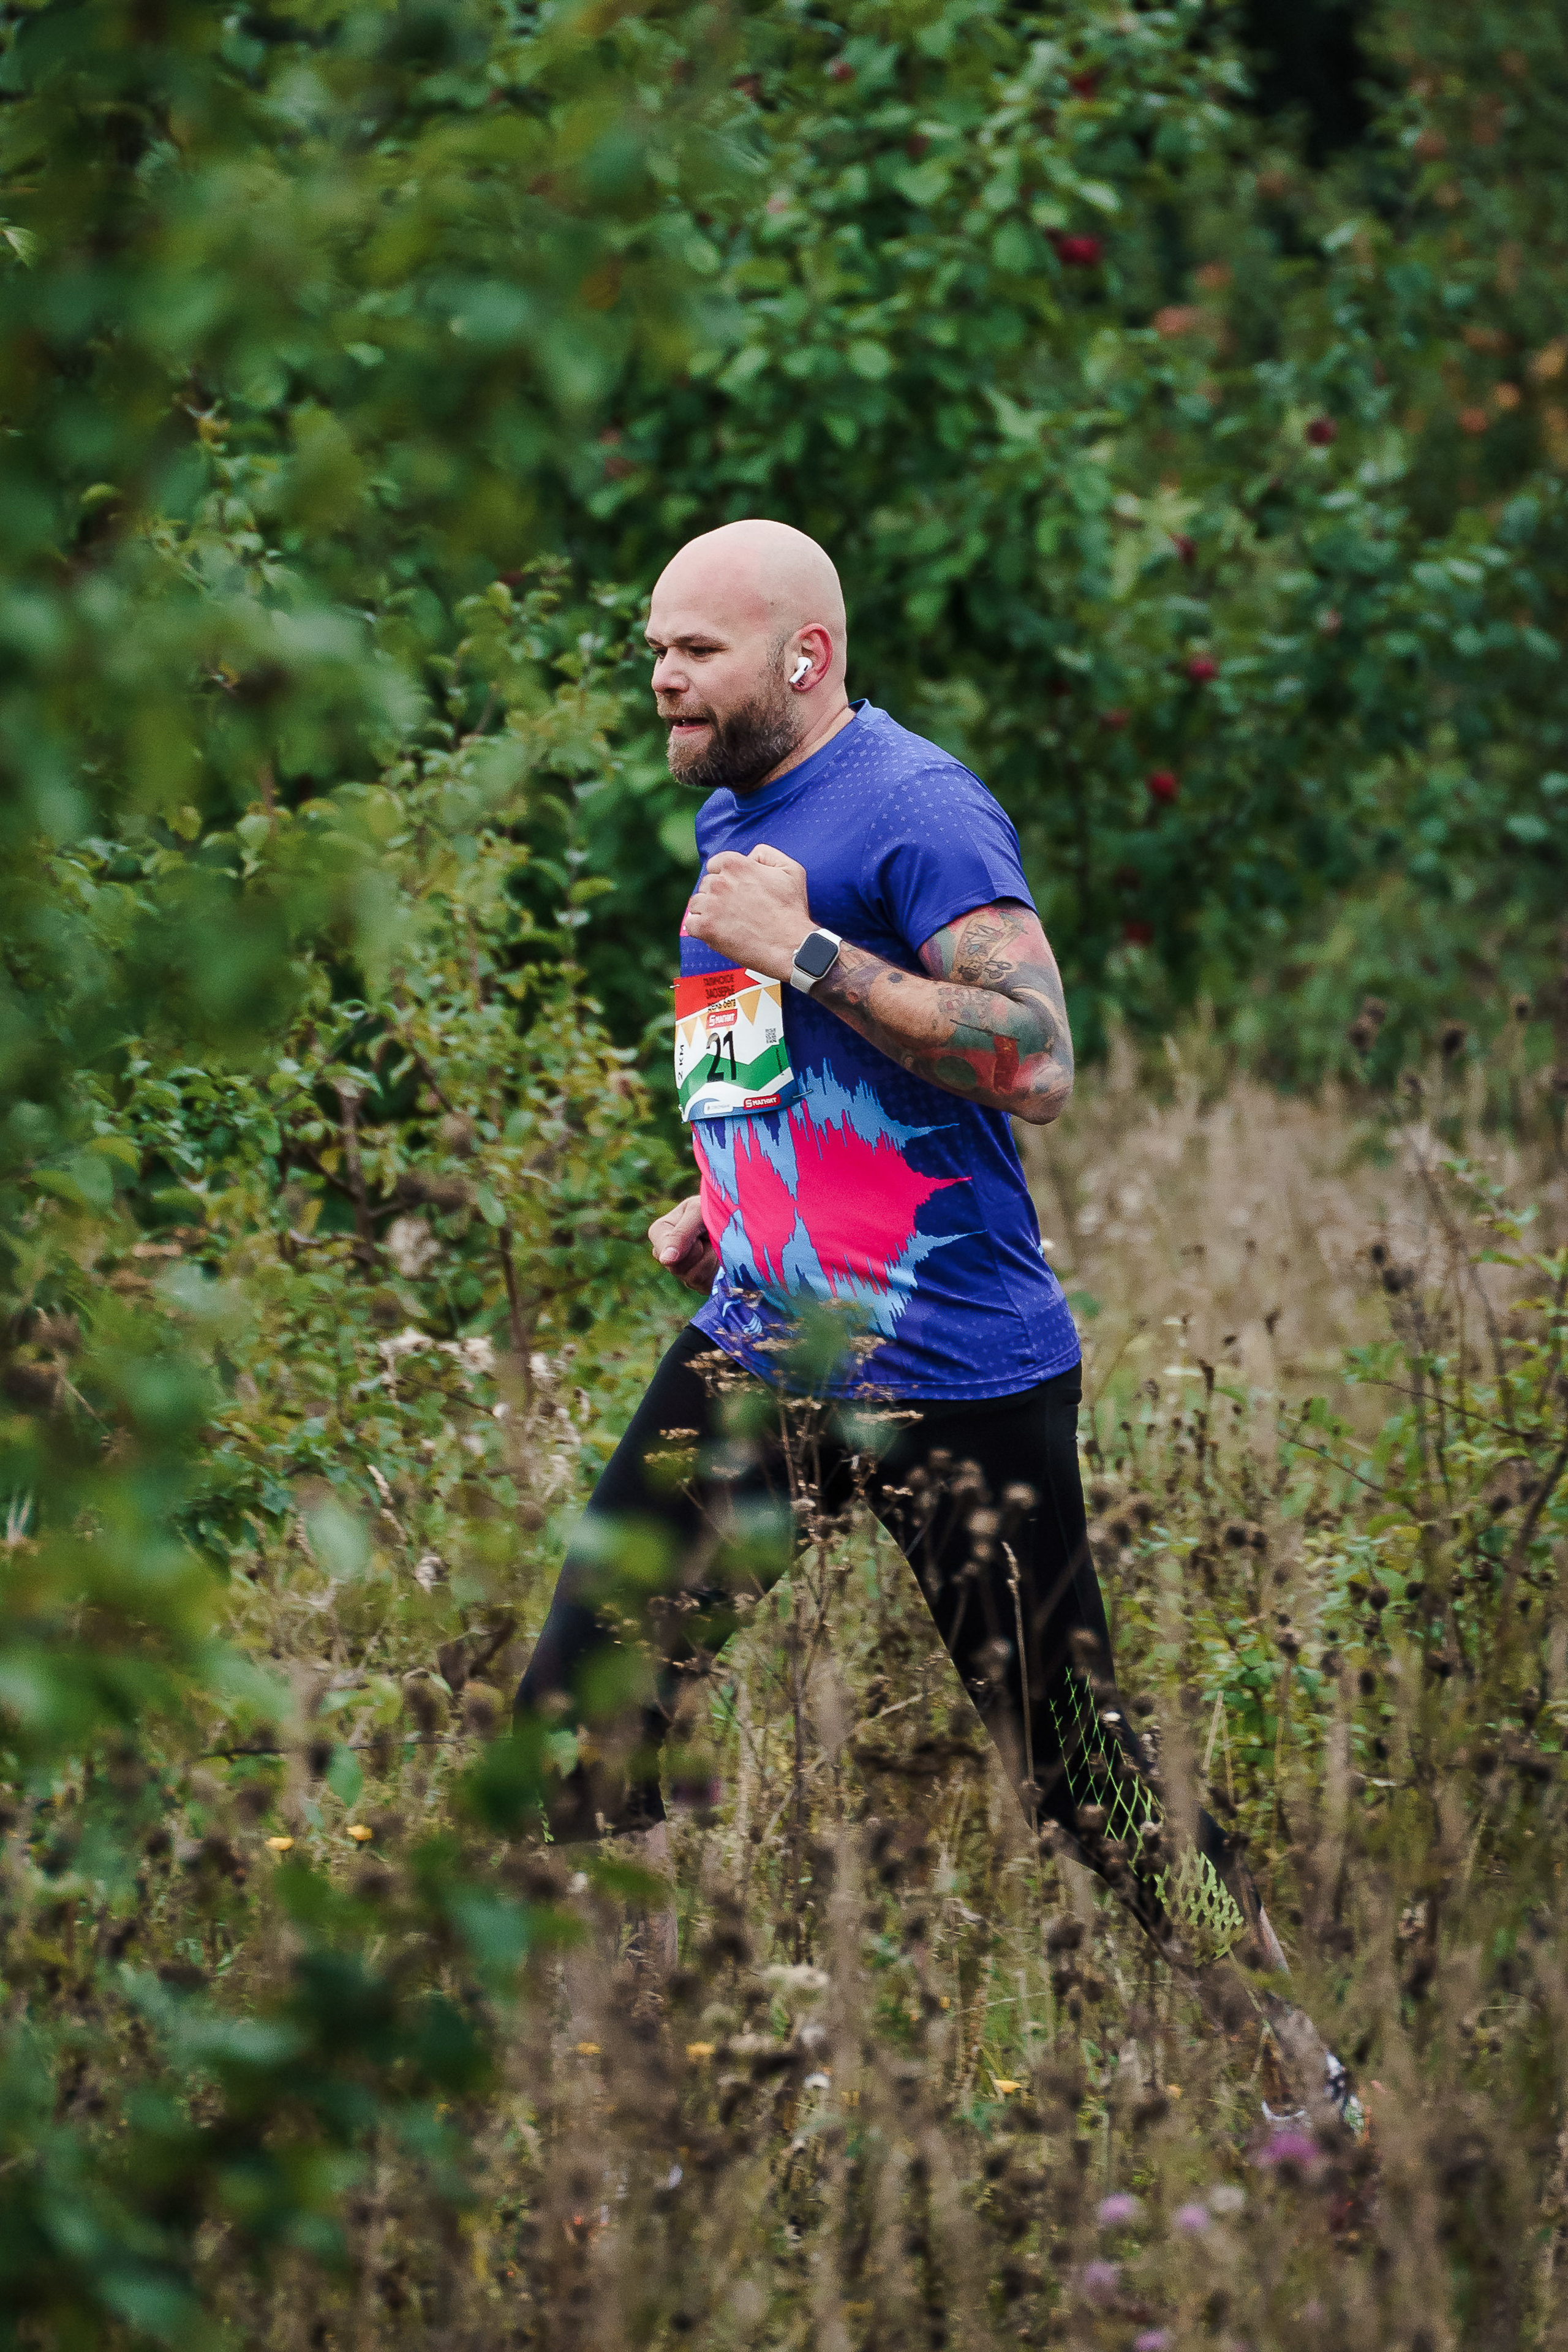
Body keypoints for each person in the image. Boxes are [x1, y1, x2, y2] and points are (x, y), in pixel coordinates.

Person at [514, 520, 1351, 2120]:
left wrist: (810, 948)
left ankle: (1304, 2084)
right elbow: (782, 1066)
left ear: (804, 657)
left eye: (696, 650)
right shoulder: (734, 808)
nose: (663, 675)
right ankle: (630, 2116)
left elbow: (1036, 1060)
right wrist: (731, 1196)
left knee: (1082, 1776)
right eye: (655, 648)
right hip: (768, 1346)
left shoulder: (917, 810)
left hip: (957, 1378)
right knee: (584, 1711)